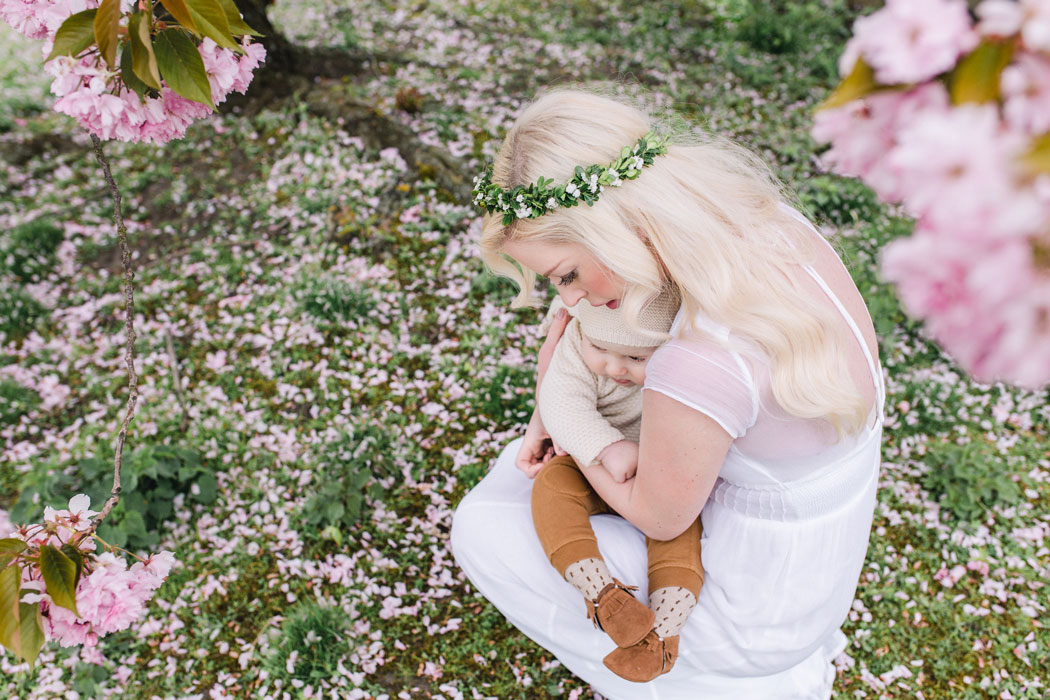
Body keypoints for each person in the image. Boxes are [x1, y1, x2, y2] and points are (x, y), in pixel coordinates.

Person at [451, 89, 884, 700]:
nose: (569, 303)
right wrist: (554, 388)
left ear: (611, 229)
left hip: (754, 615)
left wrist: (563, 409)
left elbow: (658, 514)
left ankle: (697, 680)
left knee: (484, 524)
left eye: (567, 275)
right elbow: (586, 316)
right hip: (815, 567)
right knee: (524, 475)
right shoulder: (765, 222)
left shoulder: (697, 361)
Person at [532, 291, 702, 682]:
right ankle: (606, 597)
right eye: (600, 349)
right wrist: (606, 446)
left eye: (637, 358)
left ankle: (661, 634)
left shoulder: (682, 358)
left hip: (658, 473)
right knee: (552, 486)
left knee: (679, 524)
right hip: (594, 464)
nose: (613, 367)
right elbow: (561, 401)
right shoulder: (578, 341)